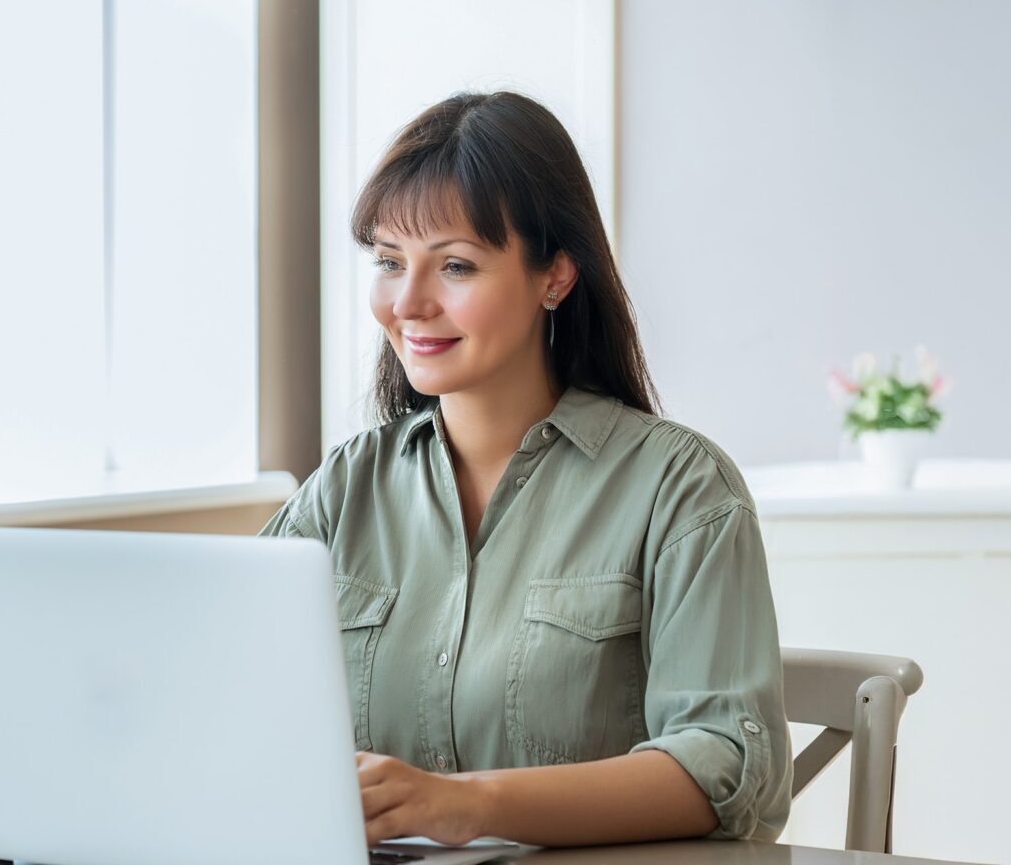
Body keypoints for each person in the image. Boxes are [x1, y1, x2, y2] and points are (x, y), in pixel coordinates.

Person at [260, 91, 792, 848]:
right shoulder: (343, 490)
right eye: (388, 262)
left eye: (455, 265)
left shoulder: (681, 489)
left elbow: (724, 763)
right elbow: (223, 697)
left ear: (556, 275)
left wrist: (463, 804)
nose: (407, 303)